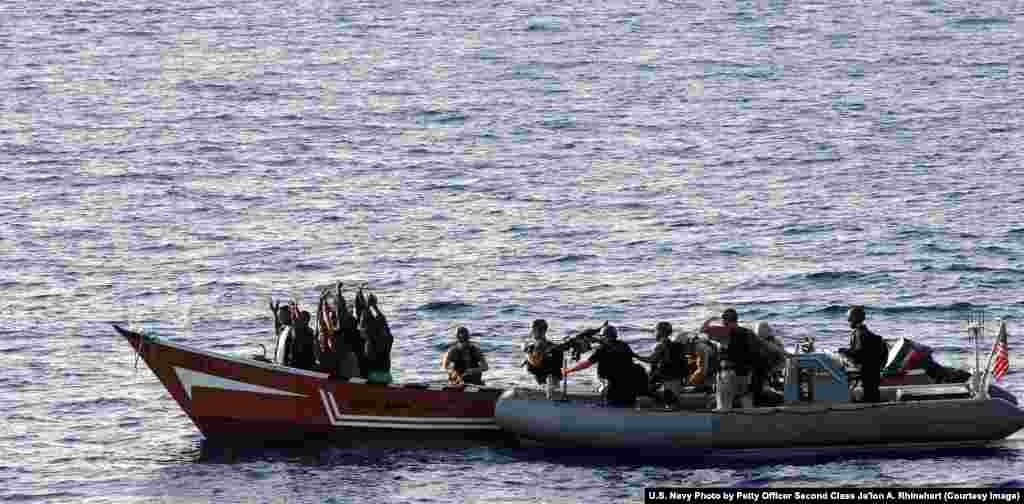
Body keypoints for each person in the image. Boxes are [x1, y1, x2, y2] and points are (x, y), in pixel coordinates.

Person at [562, 324, 643, 408]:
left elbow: (587, 364)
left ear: (604, 337)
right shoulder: (624, 345)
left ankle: (605, 391)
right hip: (628, 381)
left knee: (610, 401)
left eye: (601, 337)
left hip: (611, 382)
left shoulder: (602, 349)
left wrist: (568, 370)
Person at [702, 308, 756, 411]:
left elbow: (703, 330)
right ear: (736, 319)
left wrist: (711, 319)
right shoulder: (748, 333)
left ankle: (725, 424)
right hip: (745, 373)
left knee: (724, 407)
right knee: (747, 405)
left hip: (728, 374)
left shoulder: (724, 332)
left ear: (724, 321)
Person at [839, 305, 888, 403]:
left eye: (849, 319)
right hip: (873, 369)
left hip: (867, 370)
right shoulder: (864, 332)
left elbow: (859, 354)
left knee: (870, 397)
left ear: (854, 319)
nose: (848, 321)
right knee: (872, 394)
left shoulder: (859, 334)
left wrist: (843, 351)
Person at [636, 322, 687, 409]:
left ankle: (659, 402)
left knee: (645, 388)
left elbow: (651, 359)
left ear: (660, 332)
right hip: (677, 379)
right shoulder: (677, 346)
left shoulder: (661, 346)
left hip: (667, 379)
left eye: (655, 331)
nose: (654, 333)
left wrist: (635, 356)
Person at [522, 319, 565, 400]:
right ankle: (552, 388)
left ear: (535, 330)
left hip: (542, 384)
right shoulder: (554, 347)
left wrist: (526, 351)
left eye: (532, 330)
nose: (531, 332)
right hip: (555, 383)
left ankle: (549, 389)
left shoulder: (537, 346)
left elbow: (535, 362)